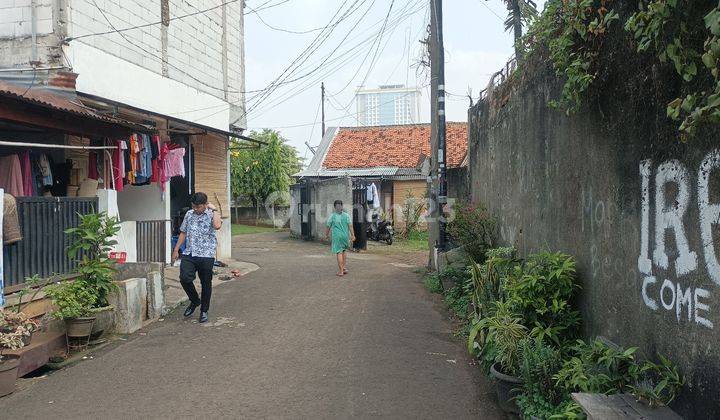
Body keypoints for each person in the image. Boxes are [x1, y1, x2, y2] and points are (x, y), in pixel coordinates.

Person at [172, 192, 222, 323]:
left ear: (205, 205)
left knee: (206, 283)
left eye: (198, 207)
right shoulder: (189, 214)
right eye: (193, 206)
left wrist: (214, 209)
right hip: (190, 253)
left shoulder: (212, 214)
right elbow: (183, 232)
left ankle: (204, 311)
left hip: (206, 255)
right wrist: (176, 249)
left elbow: (217, 226)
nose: (195, 209)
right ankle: (195, 301)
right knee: (184, 278)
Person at [325, 200, 355, 277]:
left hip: (337, 237)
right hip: (345, 236)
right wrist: (353, 235)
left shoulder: (332, 216)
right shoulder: (347, 215)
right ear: (341, 206)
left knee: (339, 252)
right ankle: (344, 268)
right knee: (344, 251)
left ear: (335, 207)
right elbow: (350, 226)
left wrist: (327, 235)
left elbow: (328, 226)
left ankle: (341, 271)